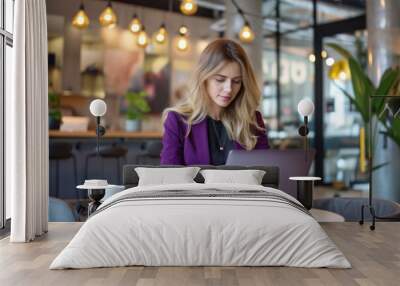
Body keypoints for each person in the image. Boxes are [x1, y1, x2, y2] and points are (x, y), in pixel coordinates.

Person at [160, 39, 269, 165]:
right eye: (220, 79)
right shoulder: (177, 120)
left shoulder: (252, 121)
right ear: (204, 78)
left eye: (236, 81)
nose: (228, 89)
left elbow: (266, 174)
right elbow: (169, 177)